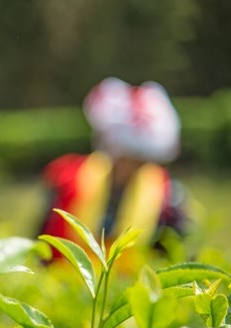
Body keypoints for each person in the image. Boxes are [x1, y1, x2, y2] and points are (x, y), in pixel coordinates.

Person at [40, 77, 187, 247]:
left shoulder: (168, 198)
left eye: (141, 160)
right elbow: (43, 247)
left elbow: (177, 253)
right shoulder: (68, 182)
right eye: (129, 157)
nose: (133, 167)